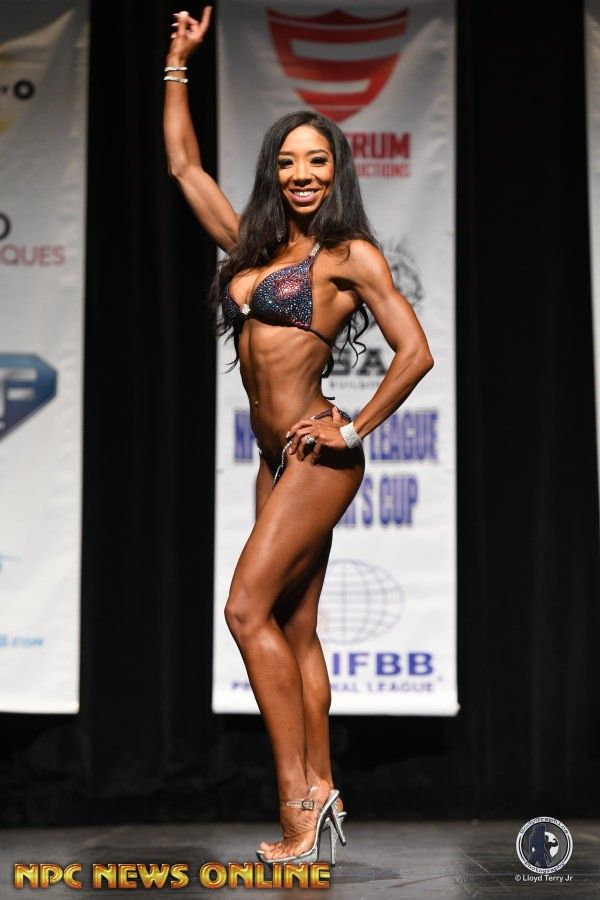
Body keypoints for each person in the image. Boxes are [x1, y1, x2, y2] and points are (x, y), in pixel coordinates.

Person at [163, 6, 434, 866]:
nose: (302, 174)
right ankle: (326, 786)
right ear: (274, 174)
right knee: (295, 627)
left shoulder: (349, 256)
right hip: (273, 459)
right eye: (287, 162)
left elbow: (417, 352)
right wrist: (178, 63)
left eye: (316, 161)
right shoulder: (252, 248)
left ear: (336, 169)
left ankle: (299, 803)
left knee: (245, 610)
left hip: (319, 457)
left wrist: (353, 425)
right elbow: (183, 165)